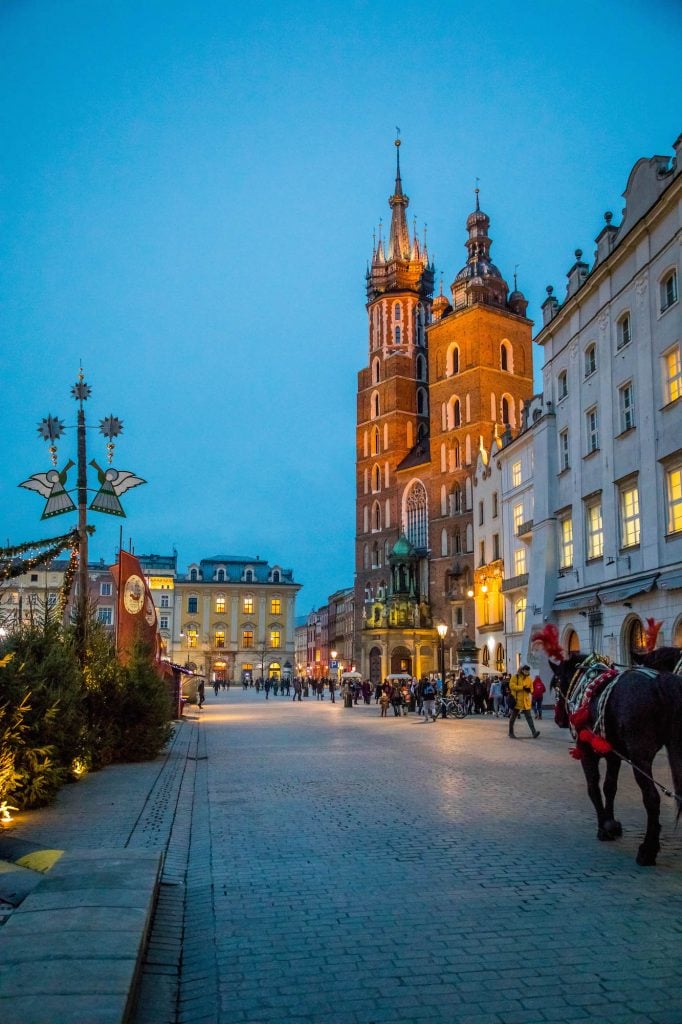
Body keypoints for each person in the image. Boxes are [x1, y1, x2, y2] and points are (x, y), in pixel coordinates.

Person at [508, 665, 540, 739]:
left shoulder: (529, 679)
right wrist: (522, 688)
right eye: (526, 670)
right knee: (513, 717)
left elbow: (532, 688)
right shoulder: (515, 677)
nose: (527, 672)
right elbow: (511, 686)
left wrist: (530, 690)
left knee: (529, 717)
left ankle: (534, 732)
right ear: (522, 670)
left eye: (528, 671)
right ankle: (511, 732)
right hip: (517, 701)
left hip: (525, 701)